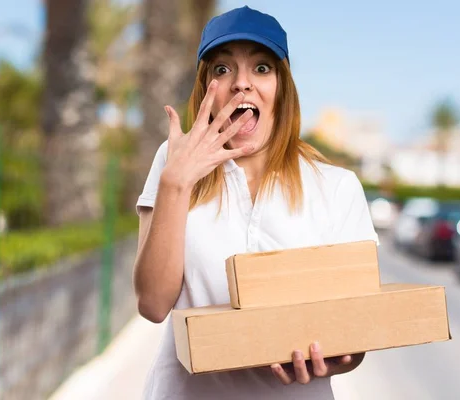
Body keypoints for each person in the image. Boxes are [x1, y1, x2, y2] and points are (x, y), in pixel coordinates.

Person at [133, 5, 379, 400]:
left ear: (282, 87)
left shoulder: (337, 187)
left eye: (261, 68)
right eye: (223, 69)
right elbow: (152, 304)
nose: (242, 84)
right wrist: (176, 184)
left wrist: (339, 358)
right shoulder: (173, 161)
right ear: (205, 89)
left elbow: (357, 330)